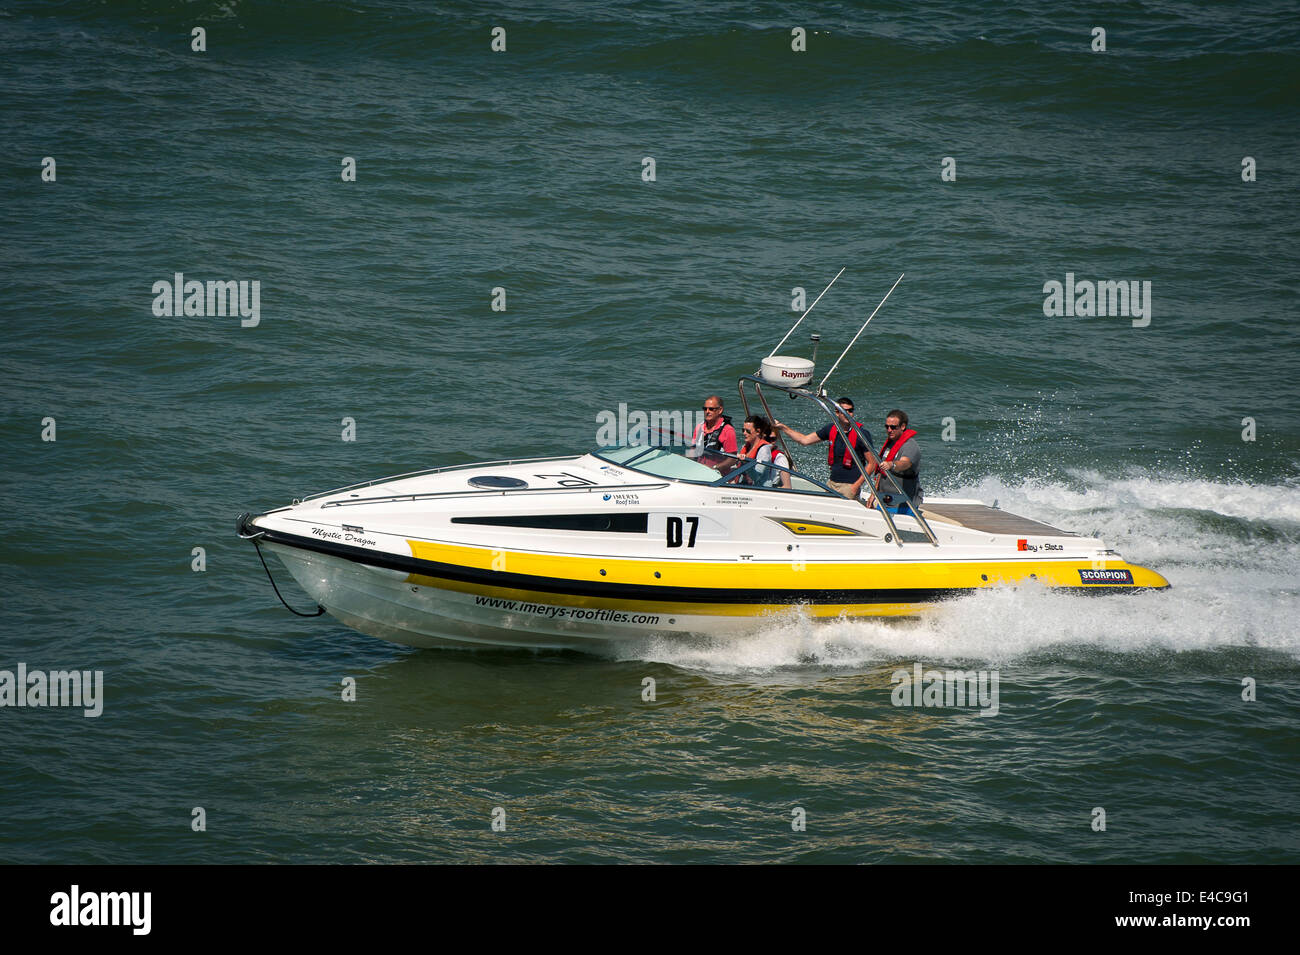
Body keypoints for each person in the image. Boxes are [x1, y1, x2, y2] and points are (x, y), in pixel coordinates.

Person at [774, 397, 877, 500]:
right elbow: (804, 440)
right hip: (832, 483)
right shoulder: (830, 429)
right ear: (837, 413)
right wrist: (783, 427)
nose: (848, 414)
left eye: (850, 411)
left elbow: (872, 463)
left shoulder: (861, 434)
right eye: (844, 411)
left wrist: (856, 486)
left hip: (849, 486)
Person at [870, 409, 922, 512]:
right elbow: (881, 472)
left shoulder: (910, 445)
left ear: (903, 426)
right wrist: (873, 494)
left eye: (893, 427)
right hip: (885, 500)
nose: (889, 430)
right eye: (887, 427)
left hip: (904, 503)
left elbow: (905, 463)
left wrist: (892, 464)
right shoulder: (890, 444)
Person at [737, 415, 792, 488]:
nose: (744, 433)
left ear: (758, 432)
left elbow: (756, 477)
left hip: (761, 489)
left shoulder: (764, 450)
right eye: (743, 430)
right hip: (746, 486)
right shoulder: (745, 447)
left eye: (748, 431)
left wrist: (746, 463)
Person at [690, 395, 737, 468]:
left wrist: (714, 468)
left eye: (711, 409)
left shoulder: (728, 430)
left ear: (720, 410)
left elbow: (732, 459)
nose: (707, 412)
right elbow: (693, 453)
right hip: (699, 470)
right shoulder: (699, 427)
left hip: (719, 475)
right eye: (705, 409)